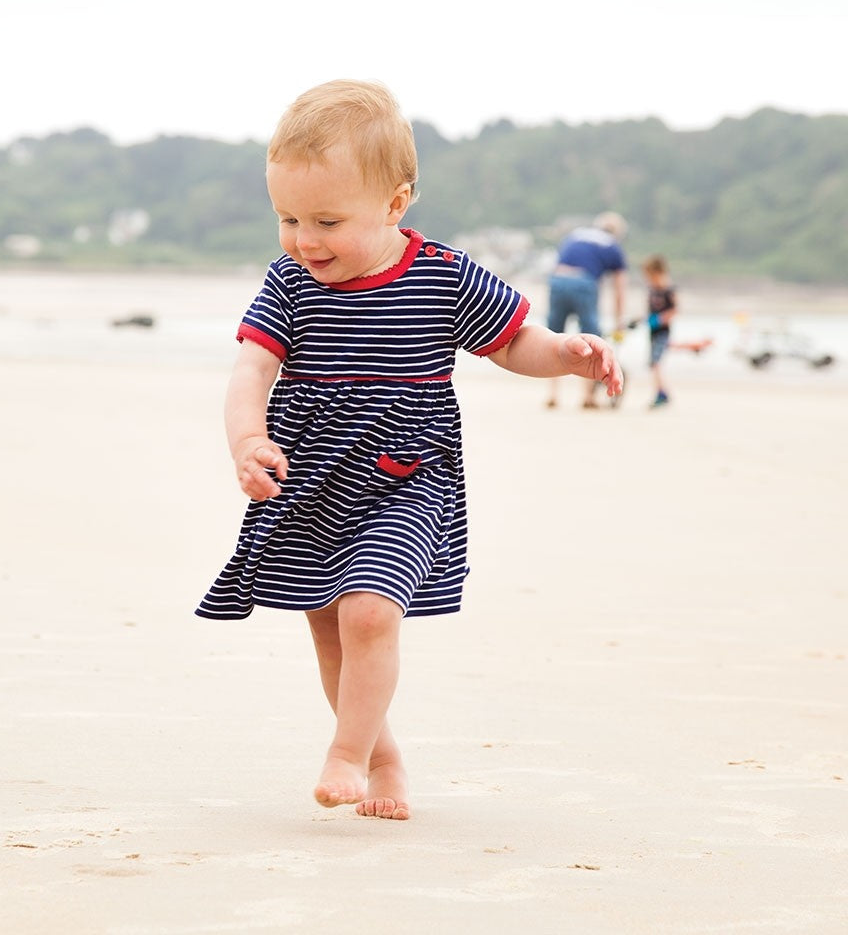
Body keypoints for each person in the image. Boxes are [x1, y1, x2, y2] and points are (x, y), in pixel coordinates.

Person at [196, 80, 623, 820]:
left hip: (408, 478)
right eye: (288, 218)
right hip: (311, 481)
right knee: (331, 630)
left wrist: (567, 354)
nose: (305, 238)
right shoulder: (290, 284)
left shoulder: (443, 275)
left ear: (395, 205)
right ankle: (381, 755)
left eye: (327, 219)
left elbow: (514, 341)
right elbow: (251, 370)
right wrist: (247, 438)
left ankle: (346, 753)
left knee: (369, 614)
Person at [545, 211, 628, 409]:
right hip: (583, 283)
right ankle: (587, 396)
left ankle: (553, 395)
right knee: (591, 341)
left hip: (557, 280)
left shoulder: (577, 234)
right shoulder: (612, 245)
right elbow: (619, 290)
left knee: (553, 337)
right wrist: (619, 322)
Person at [642, 254, 677, 407]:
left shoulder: (668, 290)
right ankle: (660, 391)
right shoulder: (652, 289)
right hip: (652, 331)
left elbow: (675, 310)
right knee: (653, 362)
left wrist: (659, 320)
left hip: (662, 331)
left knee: (655, 362)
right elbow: (648, 309)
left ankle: (662, 393)